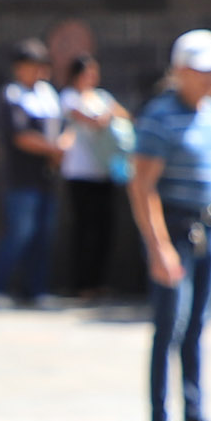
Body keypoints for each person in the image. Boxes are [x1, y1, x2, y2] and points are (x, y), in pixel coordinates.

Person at [129, 31, 211, 421]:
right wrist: (158, 246)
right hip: (176, 229)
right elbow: (142, 186)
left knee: (199, 324)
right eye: (205, 72)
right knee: (169, 325)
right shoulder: (160, 116)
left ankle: (193, 413)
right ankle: (160, 420)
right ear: (181, 72)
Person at [0, 39, 63, 308]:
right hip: (21, 177)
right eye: (31, 66)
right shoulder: (12, 95)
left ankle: (35, 290)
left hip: (47, 177)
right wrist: (53, 148)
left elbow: (66, 127)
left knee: (43, 235)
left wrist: (61, 147)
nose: (37, 71)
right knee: (19, 233)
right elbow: (20, 136)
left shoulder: (48, 94)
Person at [56, 56, 132, 301]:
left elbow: (124, 115)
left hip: (105, 171)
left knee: (104, 230)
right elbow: (91, 121)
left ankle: (99, 281)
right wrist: (106, 117)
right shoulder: (69, 97)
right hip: (80, 173)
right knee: (84, 229)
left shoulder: (102, 96)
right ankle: (82, 284)